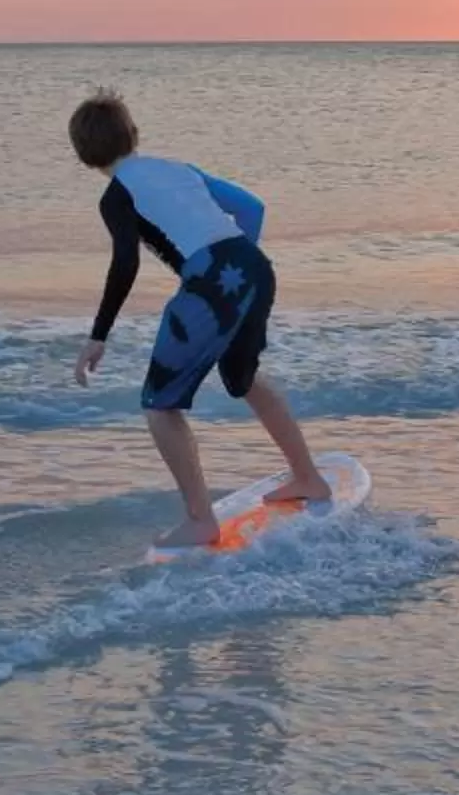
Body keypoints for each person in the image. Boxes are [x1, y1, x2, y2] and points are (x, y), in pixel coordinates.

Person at [68, 91, 327, 549]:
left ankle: (200, 520)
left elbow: (125, 263)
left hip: (214, 282)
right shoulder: (179, 170)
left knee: (159, 404)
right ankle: (308, 476)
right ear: (133, 134)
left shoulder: (117, 196)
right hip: (253, 266)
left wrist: (98, 335)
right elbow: (252, 208)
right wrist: (234, 272)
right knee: (242, 376)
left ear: (84, 155)